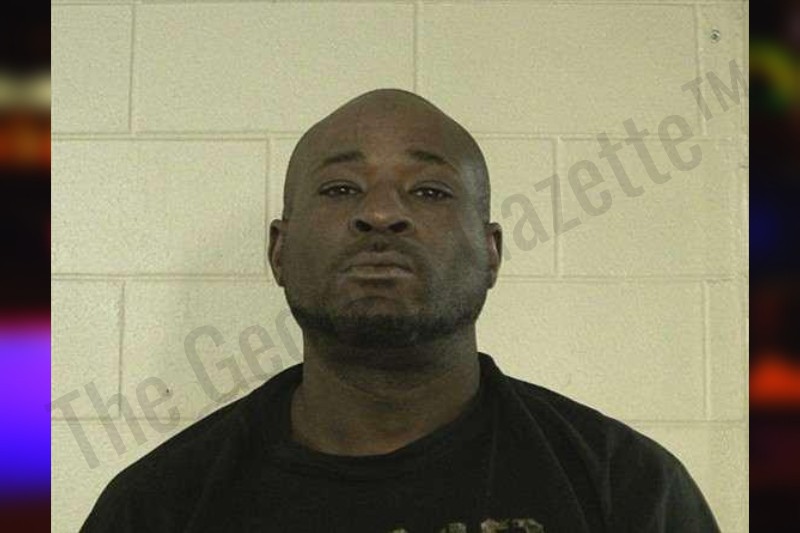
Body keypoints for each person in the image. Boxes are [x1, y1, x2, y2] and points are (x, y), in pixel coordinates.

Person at [80, 89, 720, 532]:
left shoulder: (624, 487)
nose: (381, 212)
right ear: (279, 251)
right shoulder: (158, 508)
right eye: (340, 189)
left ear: (491, 252)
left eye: (430, 191)